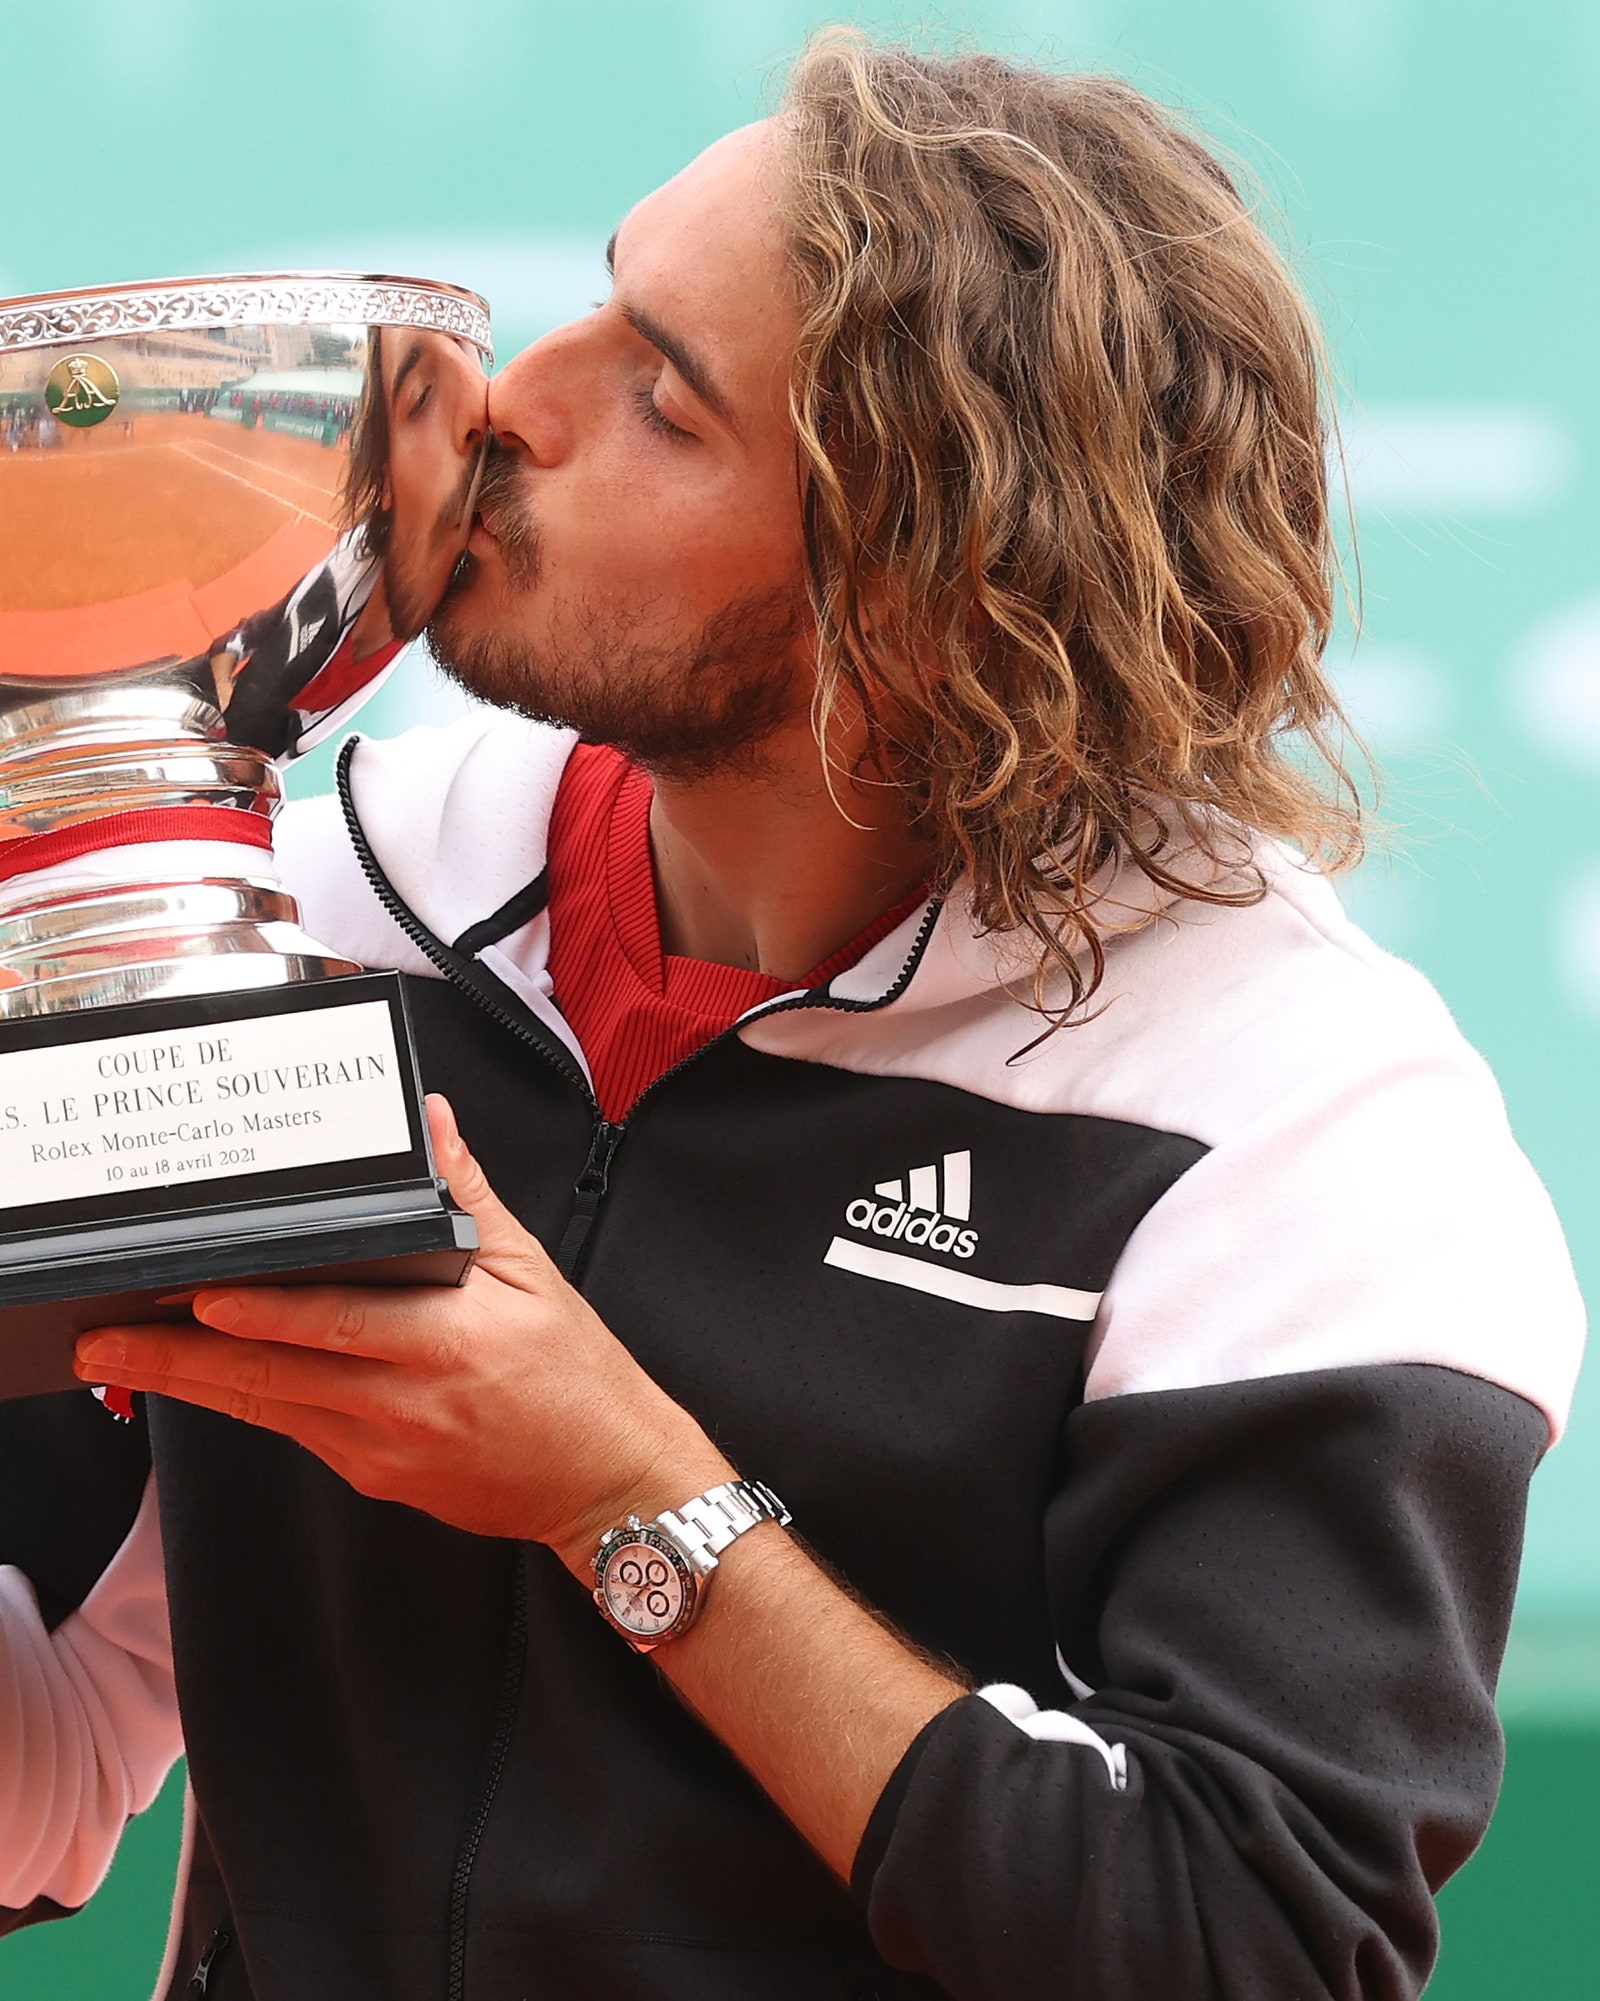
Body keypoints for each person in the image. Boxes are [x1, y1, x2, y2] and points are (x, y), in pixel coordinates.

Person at [0, 34, 1584, 2001]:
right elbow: (48, 1760)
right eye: (593, 305)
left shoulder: (1297, 1135)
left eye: (661, 402)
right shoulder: (302, 917)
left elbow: (1239, 1941)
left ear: (924, 605)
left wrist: (625, 1493)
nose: (512, 406)